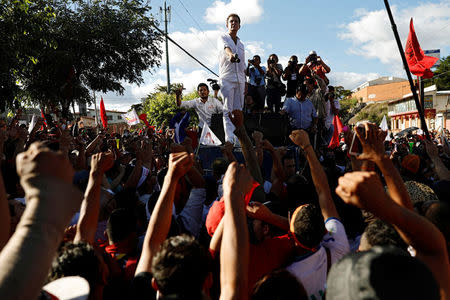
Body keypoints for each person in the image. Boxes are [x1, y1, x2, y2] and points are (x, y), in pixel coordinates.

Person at [218, 13, 246, 144]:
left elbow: (243, 65)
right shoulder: (223, 37)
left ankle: (238, 140)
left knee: (238, 111)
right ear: (227, 24)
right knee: (227, 110)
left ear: (239, 25)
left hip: (240, 80)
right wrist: (231, 55)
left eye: (236, 21)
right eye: (231, 21)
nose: (233, 23)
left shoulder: (241, 44)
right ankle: (229, 139)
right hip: (227, 78)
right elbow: (226, 49)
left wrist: (246, 83)